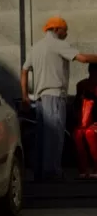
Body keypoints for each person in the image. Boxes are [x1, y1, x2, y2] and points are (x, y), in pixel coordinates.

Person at [21, 17, 97, 182]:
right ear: (56, 29)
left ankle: (40, 172)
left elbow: (24, 70)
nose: (66, 33)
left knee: (42, 136)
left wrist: (25, 96)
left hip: (40, 98)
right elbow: (83, 59)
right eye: (65, 30)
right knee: (54, 135)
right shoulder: (58, 44)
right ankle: (52, 172)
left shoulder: (36, 47)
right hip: (54, 95)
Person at [72, 63, 97, 179]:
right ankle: (83, 168)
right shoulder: (82, 85)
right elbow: (76, 105)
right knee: (78, 134)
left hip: (92, 122)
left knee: (90, 134)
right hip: (84, 121)